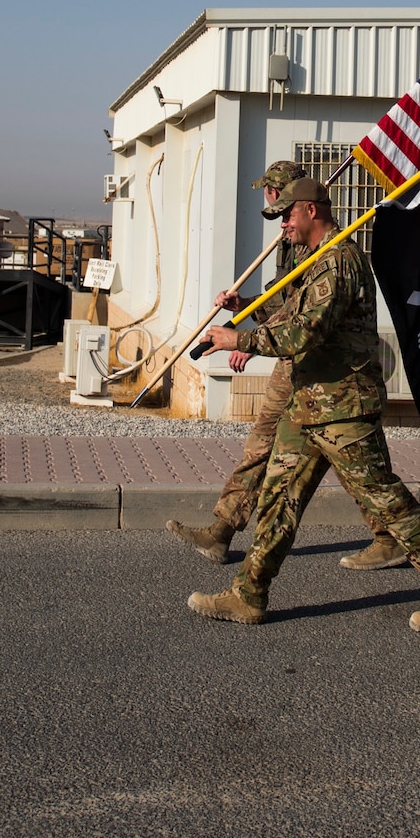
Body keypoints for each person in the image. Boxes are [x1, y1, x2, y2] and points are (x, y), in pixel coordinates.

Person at [187, 176, 420, 633]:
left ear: (311, 211)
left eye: (287, 214)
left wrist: (236, 339)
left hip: (343, 407)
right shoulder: (314, 259)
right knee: (279, 500)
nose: (283, 223)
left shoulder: (340, 261)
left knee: (386, 501)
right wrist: (248, 313)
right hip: (308, 403)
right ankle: (249, 594)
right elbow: (291, 316)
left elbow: (305, 331)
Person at [167, 160, 404, 572]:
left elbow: (309, 319)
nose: (275, 214)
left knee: (354, 464)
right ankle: (225, 533)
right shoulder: (293, 241)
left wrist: (248, 342)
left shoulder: (333, 252)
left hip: (327, 367)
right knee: (284, 449)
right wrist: (247, 310)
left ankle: (402, 542)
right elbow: (287, 300)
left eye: (278, 202)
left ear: (297, 199)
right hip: (301, 359)